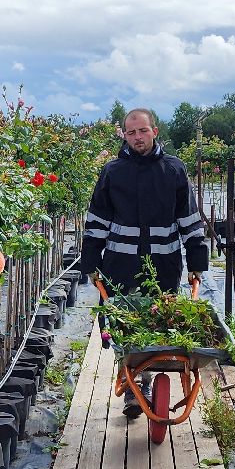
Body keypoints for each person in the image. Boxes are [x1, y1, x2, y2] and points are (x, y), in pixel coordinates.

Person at [75, 107, 210, 415]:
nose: (137, 137)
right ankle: (136, 382)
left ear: (154, 131)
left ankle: (145, 380)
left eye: (143, 131)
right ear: (124, 135)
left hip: (163, 267)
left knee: (159, 322)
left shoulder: (173, 170)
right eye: (131, 132)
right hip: (120, 266)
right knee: (124, 325)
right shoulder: (113, 172)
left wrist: (197, 263)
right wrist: (90, 262)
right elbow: (96, 222)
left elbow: (190, 221)